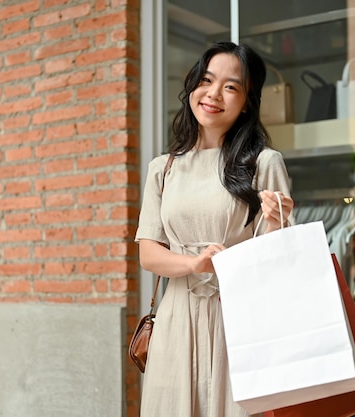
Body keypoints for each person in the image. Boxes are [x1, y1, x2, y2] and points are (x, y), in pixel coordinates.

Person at [135, 41, 295, 417]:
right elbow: (148, 254)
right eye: (206, 80)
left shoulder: (264, 163)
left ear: (247, 102)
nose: (213, 94)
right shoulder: (164, 168)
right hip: (176, 321)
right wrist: (194, 265)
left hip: (238, 320)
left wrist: (278, 221)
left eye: (230, 86)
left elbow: (280, 263)